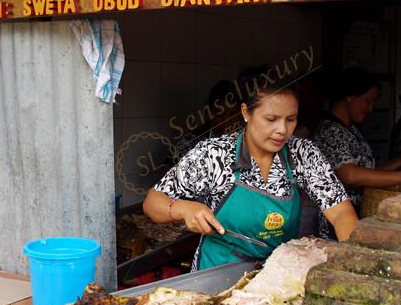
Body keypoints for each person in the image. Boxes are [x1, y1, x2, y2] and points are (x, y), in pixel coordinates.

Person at [143, 79, 358, 271]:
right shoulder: (214, 154)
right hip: (219, 272)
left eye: (290, 119)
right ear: (246, 113)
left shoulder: (303, 154)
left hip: (278, 275)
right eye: (271, 119)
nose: (282, 130)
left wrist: (353, 263)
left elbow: (341, 213)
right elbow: (153, 202)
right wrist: (185, 208)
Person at [312, 68, 401, 236]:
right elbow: (350, 175)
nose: (371, 108)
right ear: (350, 97)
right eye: (368, 101)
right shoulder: (329, 131)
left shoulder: (351, 130)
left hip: (355, 216)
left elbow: (367, 174)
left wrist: (400, 161)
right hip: (336, 221)